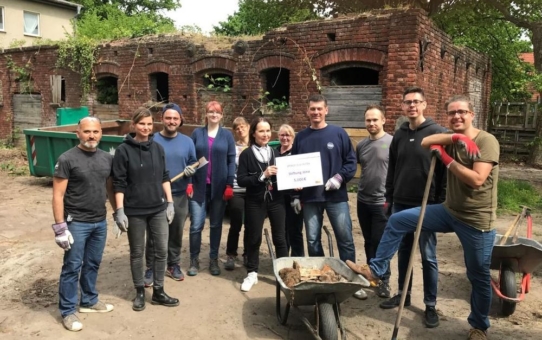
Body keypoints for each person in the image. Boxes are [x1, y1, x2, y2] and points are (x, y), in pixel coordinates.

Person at [347, 94, 499, 340]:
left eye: (461, 112)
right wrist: (457, 137)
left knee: (477, 274)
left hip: (477, 221)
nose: (456, 116)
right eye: (451, 113)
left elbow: (476, 179)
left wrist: (446, 158)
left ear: (472, 114)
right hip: (449, 211)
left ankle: (479, 325)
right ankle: (376, 270)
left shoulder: (486, 140)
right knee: (397, 220)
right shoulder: (449, 137)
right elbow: (427, 141)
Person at [379, 87, 447, 328]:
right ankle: (403, 294)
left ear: (425, 105)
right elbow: (393, 168)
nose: (412, 106)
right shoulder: (399, 134)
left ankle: (430, 304)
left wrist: (439, 201)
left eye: (416, 102)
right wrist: (389, 196)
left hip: (426, 204)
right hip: (400, 201)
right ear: (403, 106)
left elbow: (443, 171)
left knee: (428, 256)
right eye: (407, 102)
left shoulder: (438, 132)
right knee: (403, 251)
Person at [291, 94, 363, 298]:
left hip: (335, 197)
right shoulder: (301, 137)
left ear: (326, 110)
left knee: (345, 239)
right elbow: (294, 168)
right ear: (307, 111)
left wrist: (339, 178)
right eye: (312, 109)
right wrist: (294, 195)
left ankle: (351, 280)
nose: (316, 112)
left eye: (319, 109)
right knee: (313, 240)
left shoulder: (338, 134)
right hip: (310, 198)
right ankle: (320, 279)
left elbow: (351, 161)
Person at [112, 108, 179, 312]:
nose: (146, 128)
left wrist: (169, 202)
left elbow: (164, 176)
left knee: (161, 251)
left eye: (149, 124)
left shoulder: (157, 148)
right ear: (134, 125)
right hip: (134, 211)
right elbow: (119, 183)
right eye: (142, 124)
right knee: (137, 253)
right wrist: (120, 210)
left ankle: (158, 291)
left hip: (158, 208)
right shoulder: (123, 151)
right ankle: (140, 291)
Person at [52, 116, 115, 332]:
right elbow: (58, 195)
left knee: (93, 263)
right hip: (76, 223)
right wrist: (60, 228)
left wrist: (117, 214)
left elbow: (110, 189)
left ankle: (88, 300)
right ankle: (68, 311)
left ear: (101, 133)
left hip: (99, 222)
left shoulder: (107, 158)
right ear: (78, 133)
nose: (91, 136)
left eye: (95, 132)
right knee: (72, 267)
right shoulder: (67, 159)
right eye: (87, 131)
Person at [144, 103, 197, 285]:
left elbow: (193, 162)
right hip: (156, 195)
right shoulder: (152, 140)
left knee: (176, 231)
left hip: (179, 194)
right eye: (168, 118)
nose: (172, 121)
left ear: (180, 120)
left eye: (175, 118)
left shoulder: (188, 142)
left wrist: (191, 171)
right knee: (153, 233)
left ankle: (173, 264)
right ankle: (151, 267)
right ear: (162, 119)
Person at [237, 117, 288, 291]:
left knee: (280, 237)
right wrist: (262, 176)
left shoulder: (276, 153)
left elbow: (285, 176)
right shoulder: (246, 154)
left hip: (276, 200)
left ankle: (284, 273)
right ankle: (252, 273)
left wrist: (293, 183)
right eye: (261, 131)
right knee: (254, 237)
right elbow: (242, 180)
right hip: (255, 201)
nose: (265, 134)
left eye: (267, 131)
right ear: (253, 133)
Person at [188, 101, 236, 276]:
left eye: (217, 112)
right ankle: (194, 260)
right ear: (206, 114)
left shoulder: (227, 136)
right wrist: (189, 182)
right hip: (199, 186)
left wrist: (229, 184)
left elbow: (231, 161)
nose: (214, 115)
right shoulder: (197, 133)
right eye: (210, 112)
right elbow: (190, 158)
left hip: (219, 188)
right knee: (196, 225)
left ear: (222, 115)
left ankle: (213, 259)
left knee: (216, 225)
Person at [355, 106, 393, 298]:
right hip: (363, 200)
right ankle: (372, 274)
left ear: (383, 120)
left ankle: (384, 279)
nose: (371, 123)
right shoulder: (361, 145)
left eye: (375, 120)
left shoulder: (392, 143)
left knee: (381, 242)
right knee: (369, 241)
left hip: (382, 202)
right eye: (368, 120)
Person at [276, 124, 305, 256]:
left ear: (293, 137)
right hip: (278, 197)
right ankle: (283, 258)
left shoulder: (298, 153)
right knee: (282, 230)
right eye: (282, 135)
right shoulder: (274, 152)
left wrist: (300, 185)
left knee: (295, 230)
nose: (285, 138)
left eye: (288, 135)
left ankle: (298, 259)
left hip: (294, 197)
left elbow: (304, 174)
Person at [225, 117, 250, 270]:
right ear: (234, 131)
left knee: (251, 225)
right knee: (235, 223)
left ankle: (247, 253)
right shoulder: (232, 148)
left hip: (252, 190)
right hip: (236, 189)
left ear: (248, 127)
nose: (240, 130)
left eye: (242, 126)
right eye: (237, 128)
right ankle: (231, 254)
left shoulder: (254, 146)